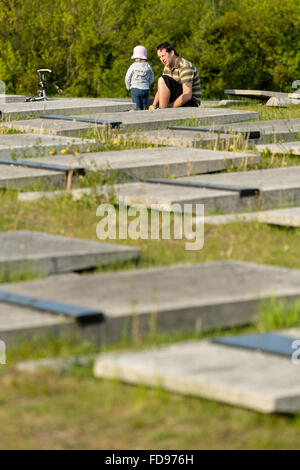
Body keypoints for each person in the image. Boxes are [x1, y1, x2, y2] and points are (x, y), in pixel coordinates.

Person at [150, 42, 201, 109]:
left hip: (191, 102)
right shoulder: (167, 66)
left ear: (172, 53)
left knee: (162, 79)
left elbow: (187, 95)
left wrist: (169, 107)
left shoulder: (185, 66)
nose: (161, 59)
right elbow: (162, 87)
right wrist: (154, 105)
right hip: (177, 99)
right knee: (161, 80)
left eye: (163, 56)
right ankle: (161, 110)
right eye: (160, 57)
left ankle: (162, 112)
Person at [125, 45, 154, 110]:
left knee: (137, 107)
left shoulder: (133, 66)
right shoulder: (148, 66)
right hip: (145, 89)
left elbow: (127, 78)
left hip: (135, 89)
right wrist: (148, 84)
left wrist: (128, 86)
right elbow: (152, 77)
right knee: (144, 106)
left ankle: (138, 118)